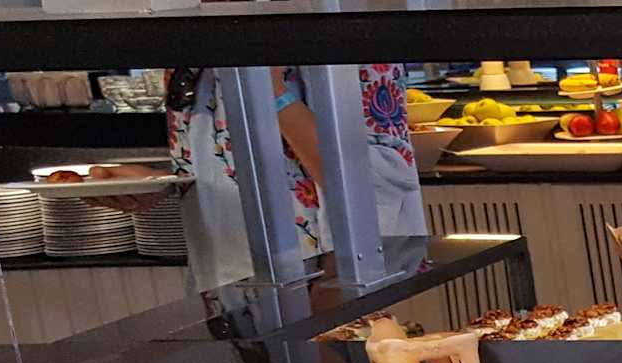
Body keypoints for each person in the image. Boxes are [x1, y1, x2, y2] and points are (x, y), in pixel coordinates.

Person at [102, 66, 424, 284]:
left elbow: (382, 185)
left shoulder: (335, 27)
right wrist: (159, 184)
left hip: (332, 285)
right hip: (229, 284)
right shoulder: (189, 46)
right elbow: (217, 163)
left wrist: (272, 90)